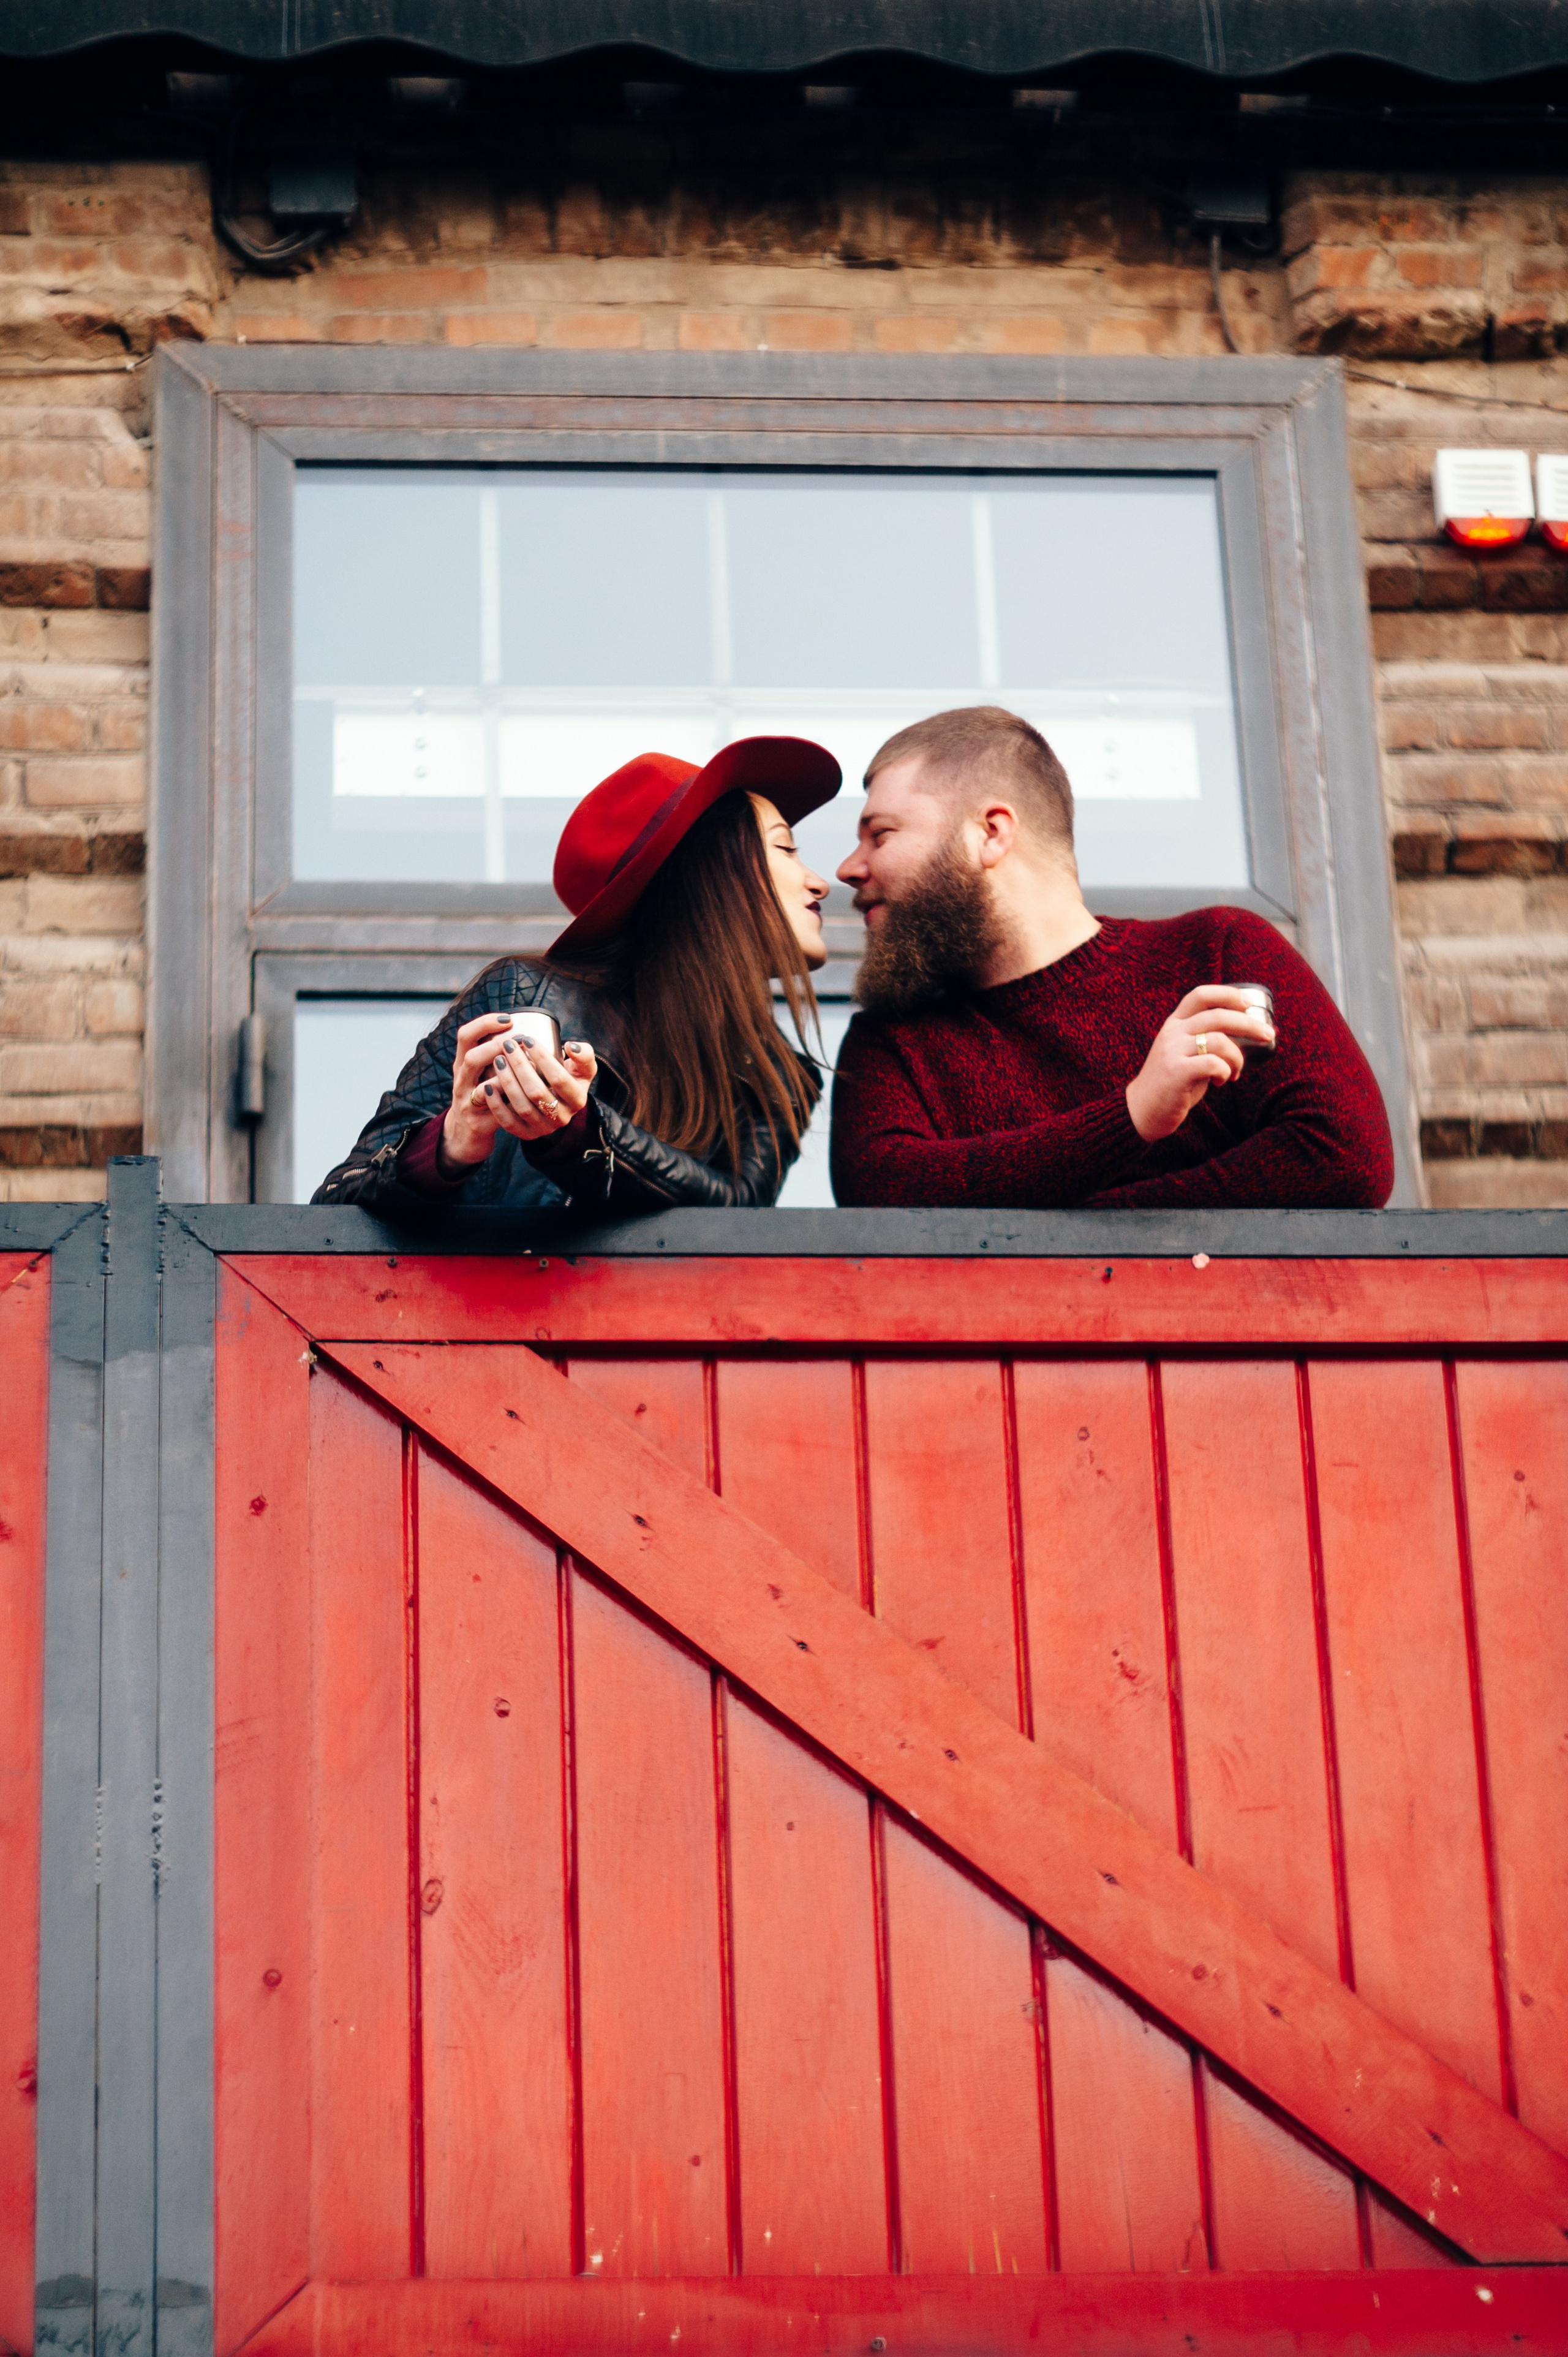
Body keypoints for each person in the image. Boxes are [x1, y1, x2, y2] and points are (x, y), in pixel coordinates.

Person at [828, 706, 1394, 1209]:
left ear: (991, 833)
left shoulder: (1217, 954)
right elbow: (883, 1194)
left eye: (880, 834)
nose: (848, 868)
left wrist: (1076, 1224)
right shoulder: (891, 1042)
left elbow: (1347, 1158)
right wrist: (1131, 1117)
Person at [315, 736, 839, 1214]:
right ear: (706, 872)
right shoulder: (525, 995)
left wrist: (582, 1133)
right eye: (787, 848)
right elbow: (336, 1205)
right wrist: (451, 1144)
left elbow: (737, 1220)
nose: (820, 882)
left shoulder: (780, 1074)